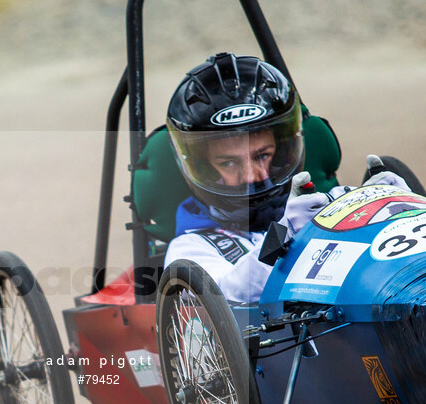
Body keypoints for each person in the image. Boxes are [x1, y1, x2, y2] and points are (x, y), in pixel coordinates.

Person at [163, 52, 409, 303]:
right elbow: (229, 295)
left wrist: (397, 208)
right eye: (228, 162)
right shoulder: (190, 249)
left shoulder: (335, 202)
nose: (252, 176)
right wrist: (287, 235)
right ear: (203, 167)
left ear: (282, 153)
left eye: (262, 156)